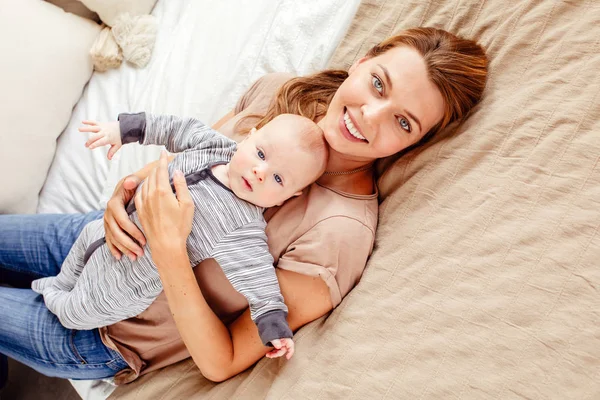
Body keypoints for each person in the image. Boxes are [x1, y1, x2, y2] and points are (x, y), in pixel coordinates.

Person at [0, 27, 488, 386]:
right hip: (91, 236)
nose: (371, 115)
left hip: (103, 330)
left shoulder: (339, 232)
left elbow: (223, 359)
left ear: (416, 144)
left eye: (404, 123)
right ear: (361, 63)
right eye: (379, 84)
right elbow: (183, 162)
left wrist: (171, 257)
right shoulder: (281, 93)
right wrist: (123, 194)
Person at [31, 113, 328, 358]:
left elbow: (259, 278)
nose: (260, 171)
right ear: (249, 136)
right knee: (79, 251)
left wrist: (274, 328)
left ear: (287, 197)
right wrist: (123, 130)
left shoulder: (243, 228)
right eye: (261, 154)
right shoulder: (214, 146)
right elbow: (174, 128)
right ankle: (56, 285)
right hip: (103, 232)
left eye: (278, 178)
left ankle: (48, 293)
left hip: (124, 284)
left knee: (73, 313)